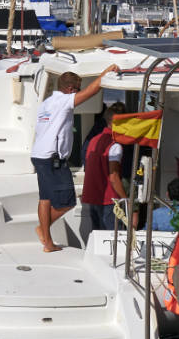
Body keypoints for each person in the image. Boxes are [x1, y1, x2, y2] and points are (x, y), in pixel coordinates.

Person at [33, 64, 117, 252]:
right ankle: (43, 230)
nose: (77, 94)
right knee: (68, 202)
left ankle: (47, 241)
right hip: (53, 159)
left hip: (39, 155)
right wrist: (106, 73)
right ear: (70, 89)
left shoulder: (46, 103)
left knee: (45, 198)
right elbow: (92, 90)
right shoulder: (63, 101)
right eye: (76, 90)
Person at [78, 107, 120, 239]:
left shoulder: (93, 141)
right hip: (108, 198)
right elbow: (113, 177)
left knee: (98, 237)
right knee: (111, 239)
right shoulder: (115, 145)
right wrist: (125, 198)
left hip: (93, 196)